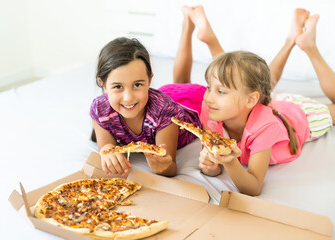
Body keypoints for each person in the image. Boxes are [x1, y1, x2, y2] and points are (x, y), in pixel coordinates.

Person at [170, 5, 335, 196]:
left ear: (251, 100)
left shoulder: (264, 127)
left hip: (300, 115)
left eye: (221, 91)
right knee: (256, 81)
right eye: (209, 88)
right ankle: (291, 40)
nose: (208, 97)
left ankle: (309, 47)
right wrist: (210, 166)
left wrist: (230, 162)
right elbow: (213, 167)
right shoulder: (212, 110)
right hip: (264, 105)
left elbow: (253, 187)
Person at [90, 37, 202, 177]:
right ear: (103, 84)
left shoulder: (166, 112)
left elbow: (171, 168)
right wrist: (106, 150)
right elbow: (107, 146)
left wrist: (161, 167)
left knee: (182, 82)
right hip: (157, 97)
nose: (128, 97)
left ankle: (188, 28)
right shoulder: (99, 109)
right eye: (118, 86)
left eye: (137, 84)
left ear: (150, 80)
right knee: (179, 82)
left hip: (191, 101)